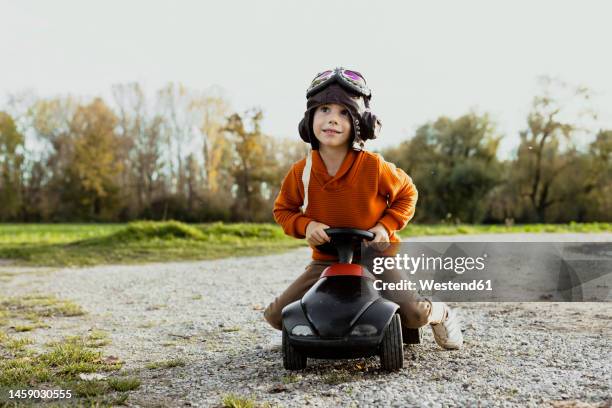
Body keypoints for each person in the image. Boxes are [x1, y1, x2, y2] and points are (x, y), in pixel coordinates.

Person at [263, 67, 463, 350]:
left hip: (374, 257)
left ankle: (440, 312)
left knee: (415, 314)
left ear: (361, 123)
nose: (333, 118)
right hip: (327, 260)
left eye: (344, 112)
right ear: (309, 119)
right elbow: (284, 210)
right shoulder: (301, 172)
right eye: (324, 109)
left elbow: (408, 193)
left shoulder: (374, 167)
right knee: (275, 316)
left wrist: (385, 226)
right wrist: (305, 226)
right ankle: (306, 332)